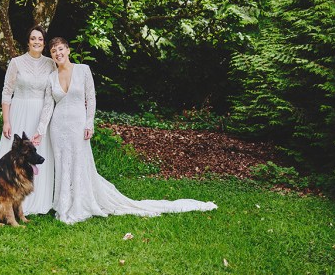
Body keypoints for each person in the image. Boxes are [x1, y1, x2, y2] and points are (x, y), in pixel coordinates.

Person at [33, 37, 217, 224]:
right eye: (54, 51)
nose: (58, 53)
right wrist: (40, 131)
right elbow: (48, 107)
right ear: (51, 55)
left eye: (61, 49)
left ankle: (79, 204)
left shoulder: (83, 70)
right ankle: (63, 205)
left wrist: (90, 124)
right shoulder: (51, 78)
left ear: (68, 50)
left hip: (78, 127)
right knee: (63, 165)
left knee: (79, 164)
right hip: (58, 129)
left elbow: (91, 98)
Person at [0, 25, 57, 215]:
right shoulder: (16, 62)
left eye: (40, 39)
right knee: (13, 156)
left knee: (38, 154)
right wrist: (6, 121)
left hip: (41, 114)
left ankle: (37, 201)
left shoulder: (50, 64)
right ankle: (5, 199)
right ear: (28, 41)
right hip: (19, 112)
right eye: (33, 38)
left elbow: (50, 97)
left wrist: (42, 126)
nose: (36, 42)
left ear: (44, 43)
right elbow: (7, 92)